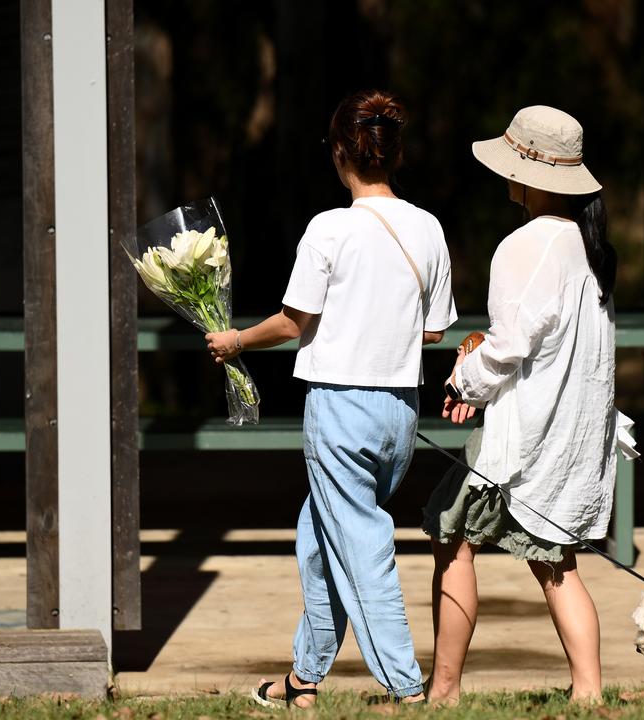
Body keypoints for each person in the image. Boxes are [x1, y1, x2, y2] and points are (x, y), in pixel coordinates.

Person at [206, 89, 457, 707]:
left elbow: (293, 322)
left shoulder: (329, 228)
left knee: (361, 545)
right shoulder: (428, 228)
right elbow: (434, 330)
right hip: (399, 411)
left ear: (341, 152)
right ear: (395, 153)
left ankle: (405, 688)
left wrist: (235, 341)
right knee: (319, 539)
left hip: (341, 409)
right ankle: (304, 679)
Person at [423, 105, 618, 705]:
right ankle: (589, 693)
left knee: (451, 534)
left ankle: (444, 691)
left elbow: (512, 343)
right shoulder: (588, 245)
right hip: (567, 428)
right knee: (556, 564)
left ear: (529, 175)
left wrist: (463, 382)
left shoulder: (525, 245)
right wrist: (479, 364)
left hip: (526, 431)